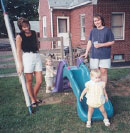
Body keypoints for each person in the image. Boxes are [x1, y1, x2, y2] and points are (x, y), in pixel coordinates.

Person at [16, 17, 43, 107]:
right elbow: (18, 51)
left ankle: (34, 97)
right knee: (29, 80)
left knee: (39, 81)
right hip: (27, 58)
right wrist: (20, 65)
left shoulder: (34, 33)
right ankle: (32, 100)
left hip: (36, 56)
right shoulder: (19, 36)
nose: (26, 28)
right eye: (24, 27)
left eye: (27, 26)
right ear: (21, 28)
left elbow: (37, 43)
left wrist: (38, 50)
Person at [81, 14, 115, 84]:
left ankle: (102, 89)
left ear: (101, 21)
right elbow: (90, 42)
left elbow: (112, 42)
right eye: (95, 21)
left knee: (103, 72)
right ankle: (95, 88)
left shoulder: (107, 30)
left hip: (105, 55)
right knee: (95, 72)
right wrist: (86, 52)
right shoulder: (93, 31)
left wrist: (101, 45)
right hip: (94, 55)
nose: (97, 22)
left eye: (98, 20)